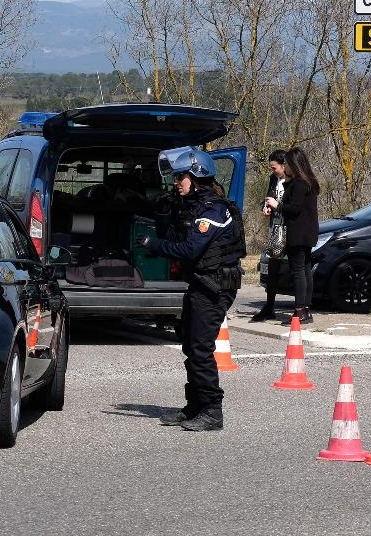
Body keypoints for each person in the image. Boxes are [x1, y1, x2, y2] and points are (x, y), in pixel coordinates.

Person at [137, 146, 245, 432]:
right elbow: (174, 235)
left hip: (215, 286)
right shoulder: (192, 208)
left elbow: (189, 248)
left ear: (196, 176)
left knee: (200, 349)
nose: (176, 183)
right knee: (190, 345)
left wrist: (154, 246)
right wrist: (163, 218)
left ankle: (212, 411)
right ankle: (195, 406)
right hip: (201, 283)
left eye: (180, 178)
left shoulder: (214, 211)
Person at [264, 146, 319, 325]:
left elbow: (294, 208)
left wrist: (277, 205)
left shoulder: (300, 184)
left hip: (298, 233)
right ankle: (306, 310)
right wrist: (287, 181)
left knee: (298, 272)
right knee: (305, 269)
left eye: (286, 164)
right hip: (308, 232)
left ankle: (299, 311)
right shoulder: (308, 182)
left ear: (294, 165)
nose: (284, 167)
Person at [250, 149, 288, 322]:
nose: (273, 171)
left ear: (283, 165)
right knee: (273, 265)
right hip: (275, 227)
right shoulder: (274, 179)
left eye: (274, 168)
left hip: (289, 227)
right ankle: (269, 305)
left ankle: (301, 308)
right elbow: (269, 196)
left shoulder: (293, 180)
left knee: (294, 266)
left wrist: (278, 205)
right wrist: (265, 206)